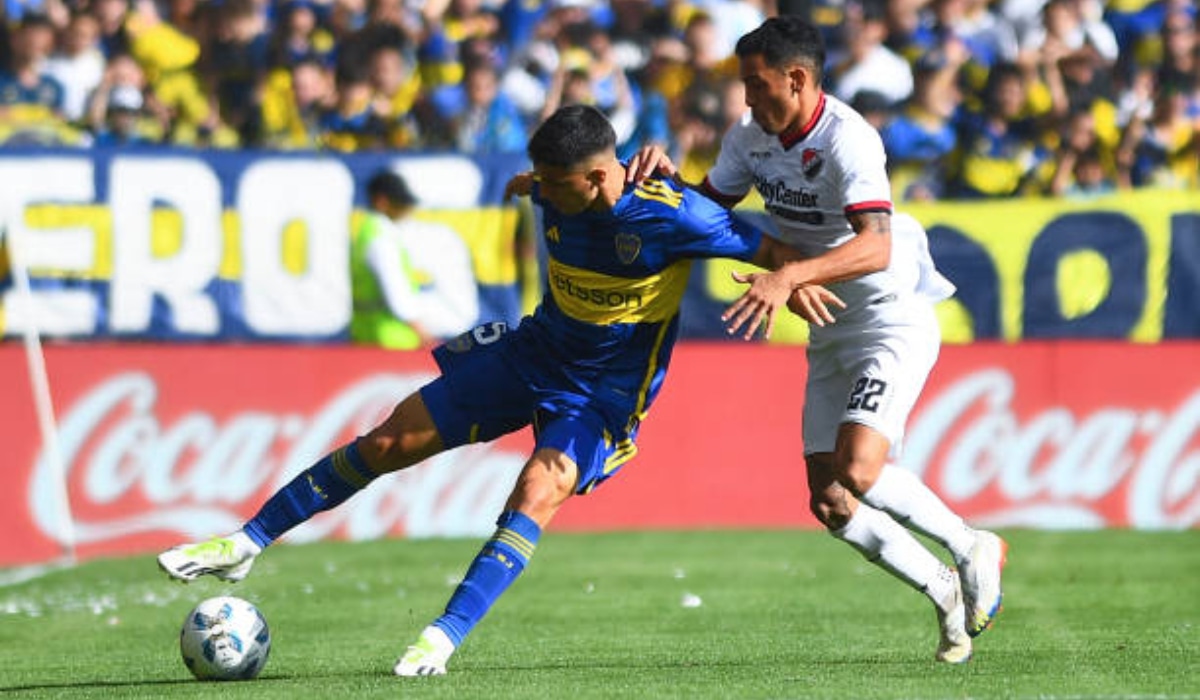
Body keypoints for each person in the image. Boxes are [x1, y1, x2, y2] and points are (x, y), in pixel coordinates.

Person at [156, 104, 843, 677]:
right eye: (538, 179)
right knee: (388, 441)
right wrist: (532, 184)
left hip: (600, 395)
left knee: (539, 488)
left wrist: (785, 282)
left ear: (601, 178)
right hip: (530, 352)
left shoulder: (676, 217)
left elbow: (778, 253)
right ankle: (246, 542)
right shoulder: (555, 185)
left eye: (554, 183)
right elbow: (536, 182)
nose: (542, 191)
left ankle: (443, 636)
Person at [628, 15, 1007, 664]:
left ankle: (972, 543)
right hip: (831, 327)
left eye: (756, 84)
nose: (747, 99)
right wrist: (664, 183)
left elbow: (875, 244)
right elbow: (710, 213)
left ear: (796, 79)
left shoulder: (847, 140)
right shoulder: (750, 138)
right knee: (830, 499)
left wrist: (789, 275)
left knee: (858, 469)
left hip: (890, 317)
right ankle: (941, 588)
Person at [350, 169, 480, 349]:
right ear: (382, 203)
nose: (407, 209)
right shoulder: (381, 240)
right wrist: (426, 338)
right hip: (391, 340)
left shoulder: (366, 232)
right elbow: (398, 295)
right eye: (401, 203)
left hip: (369, 335)